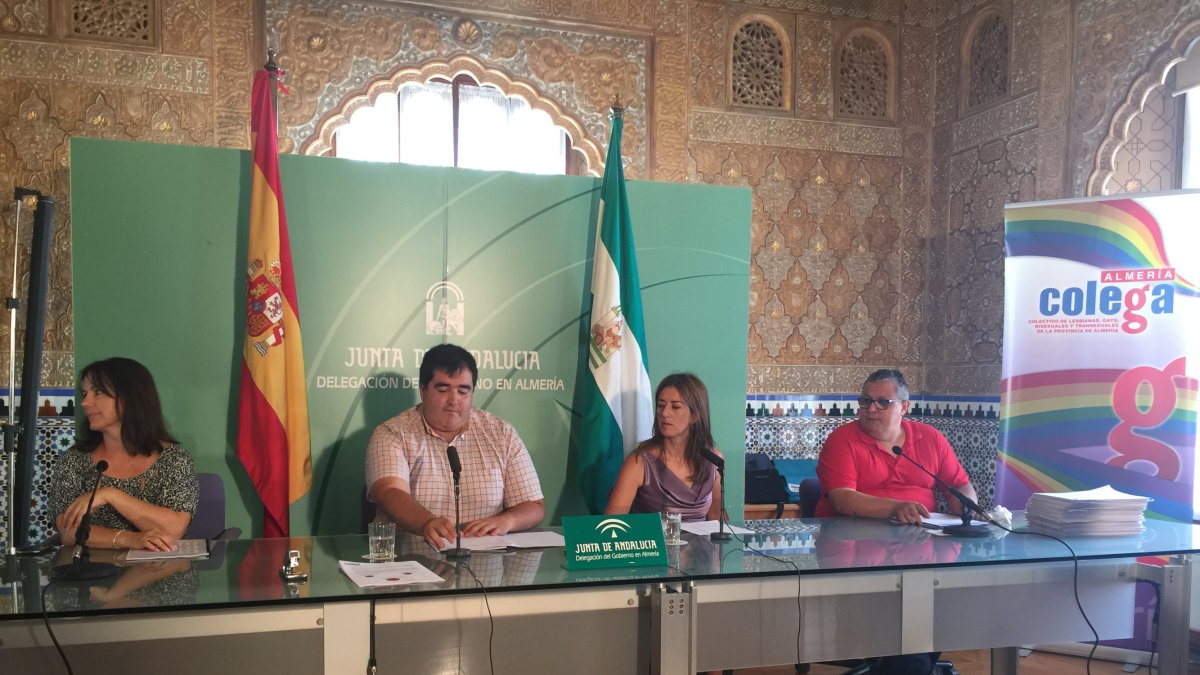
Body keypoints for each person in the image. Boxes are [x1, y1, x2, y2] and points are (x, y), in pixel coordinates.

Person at [815, 368, 976, 675]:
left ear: (904, 406)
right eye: (865, 401)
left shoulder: (930, 438)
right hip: (859, 556)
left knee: (941, 614)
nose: (870, 409)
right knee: (909, 641)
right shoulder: (842, 440)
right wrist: (895, 507)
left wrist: (967, 507)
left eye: (882, 402)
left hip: (923, 552)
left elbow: (959, 484)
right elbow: (843, 499)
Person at [366, 344, 545, 549]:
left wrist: (506, 521)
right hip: (410, 561)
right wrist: (427, 523)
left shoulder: (501, 433)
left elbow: (533, 505)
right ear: (423, 390)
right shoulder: (392, 433)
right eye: (443, 389)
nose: (453, 400)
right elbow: (389, 492)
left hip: (486, 564)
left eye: (463, 391)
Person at [50, 357, 198, 552]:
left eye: (99, 392)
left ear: (131, 397)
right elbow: (68, 532)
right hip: (92, 576)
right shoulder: (74, 459)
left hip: (161, 575)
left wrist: (111, 495)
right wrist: (129, 539)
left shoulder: (174, 458)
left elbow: (173, 530)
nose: (85, 403)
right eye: (85, 394)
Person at [604, 373, 723, 522]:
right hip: (653, 544)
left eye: (675, 407)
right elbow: (612, 524)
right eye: (661, 405)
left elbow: (717, 521)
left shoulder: (713, 460)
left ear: (695, 416)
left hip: (703, 545)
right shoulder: (639, 461)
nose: (665, 413)